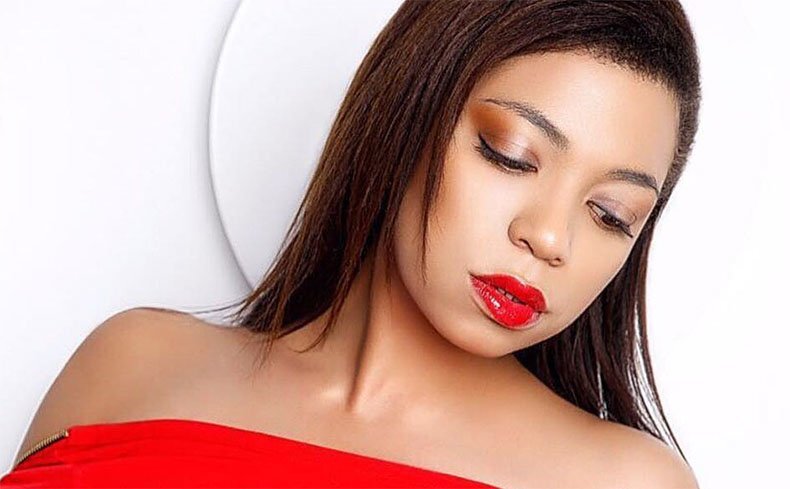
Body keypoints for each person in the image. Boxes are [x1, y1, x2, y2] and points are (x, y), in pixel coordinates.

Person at [2, 0, 701, 487]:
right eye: (510, 155)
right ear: (406, 114)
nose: (549, 237)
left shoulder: (624, 480)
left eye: (611, 214)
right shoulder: (130, 366)